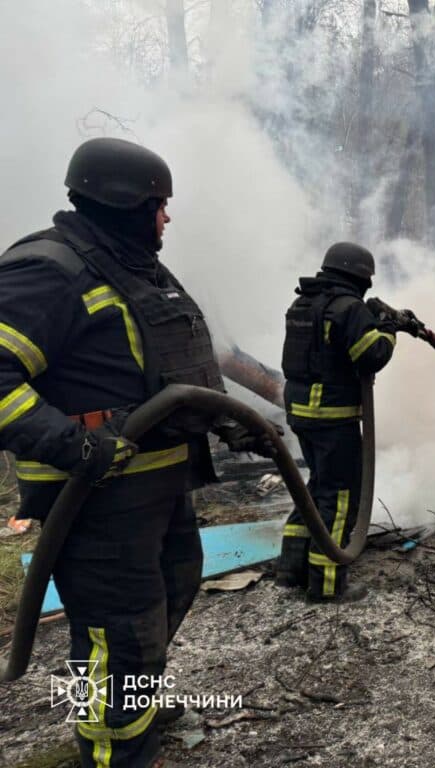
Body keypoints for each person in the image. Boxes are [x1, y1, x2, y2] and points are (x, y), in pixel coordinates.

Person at [0, 137, 271, 768]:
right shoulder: (50, 270)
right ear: (125, 203)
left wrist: (234, 424)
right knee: (111, 631)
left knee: (169, 595)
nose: (167, 217)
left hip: (155, 483)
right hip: (93, 496)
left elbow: (179, 369)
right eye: (159, 204)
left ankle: (136, 705)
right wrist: (76, 445)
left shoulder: (134, 270)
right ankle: (111, 748)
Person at [276, 242, 398, 602]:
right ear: (359, 277)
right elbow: (371, 354)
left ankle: (290, 568)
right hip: (333, 417)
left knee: (318, 488)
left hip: (302, 414)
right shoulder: (349, 308)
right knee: (342, 496)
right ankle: (328, 585)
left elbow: (326, 351)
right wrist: (388, 330)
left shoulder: (302, 303)